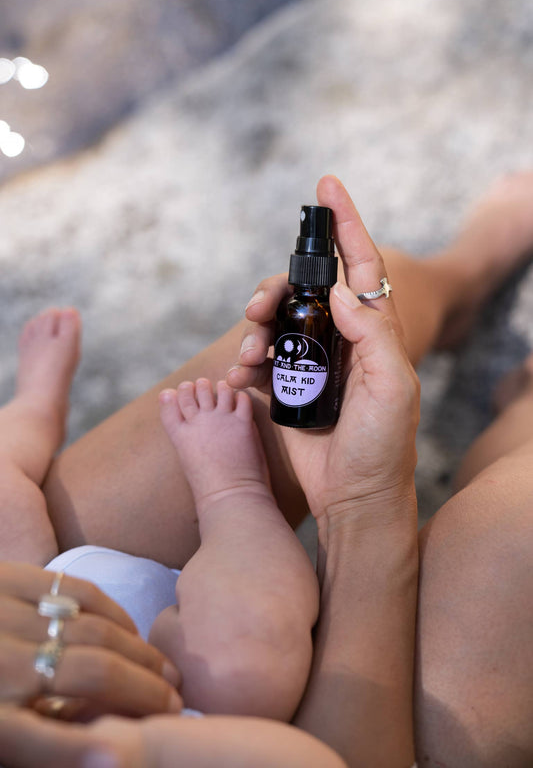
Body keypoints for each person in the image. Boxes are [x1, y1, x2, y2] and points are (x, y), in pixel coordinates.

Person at [0, 172, 533, 767]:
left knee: (366, 314)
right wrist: (360, 504)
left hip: (66, 600)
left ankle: (462, 279)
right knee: (509, 531)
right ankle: (524, 407)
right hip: (238, 718)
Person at [0, 307, 319, 720]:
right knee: (245, 669)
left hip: (38, 610)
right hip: (173, 711)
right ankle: (235, 493)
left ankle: (35, 408)